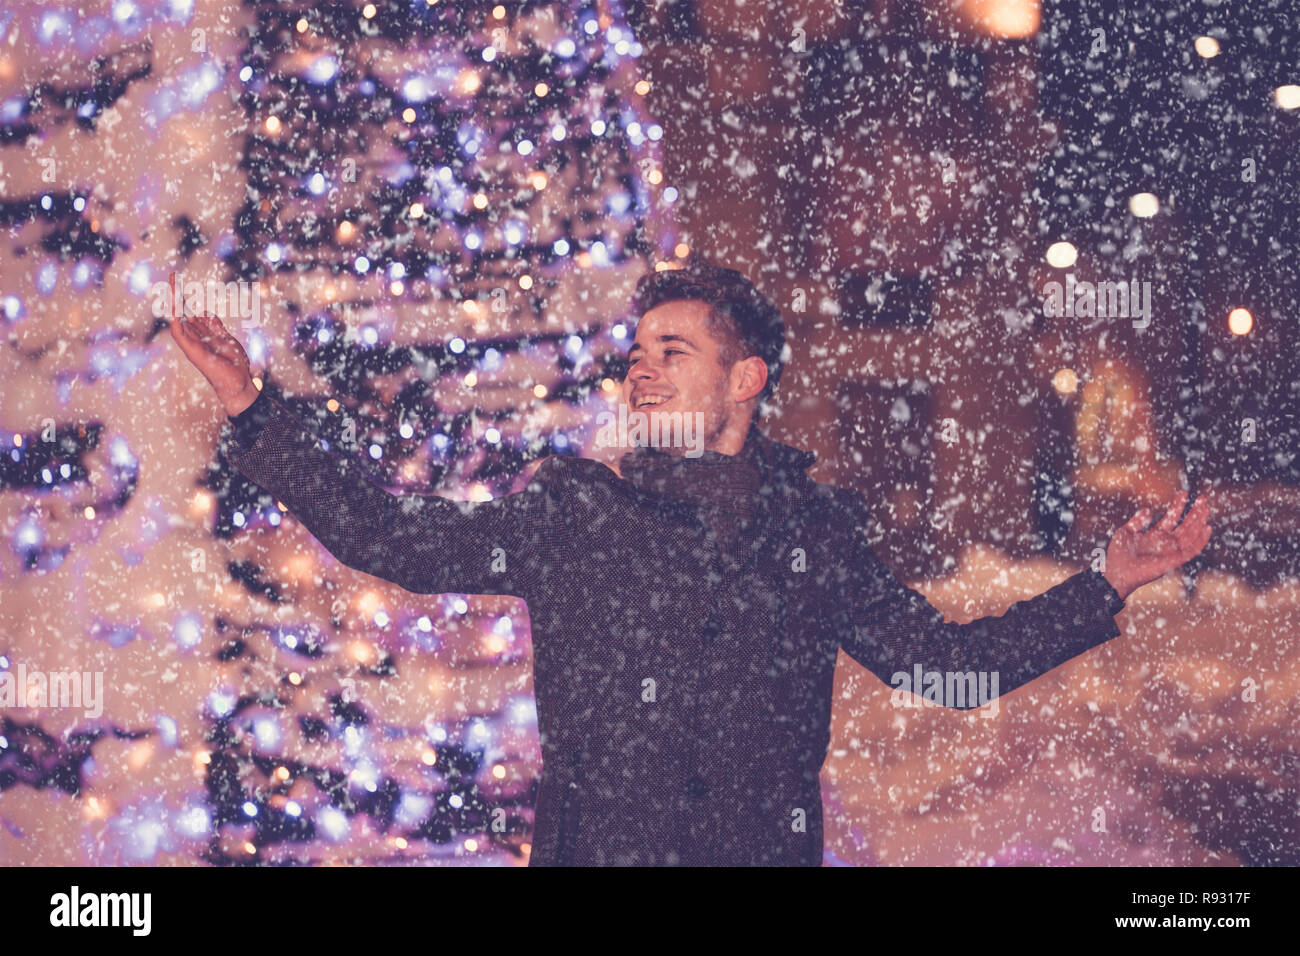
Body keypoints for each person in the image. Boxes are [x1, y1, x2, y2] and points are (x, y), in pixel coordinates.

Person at [169, 262, 1213, 866]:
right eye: (636, 352)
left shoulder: (813, 530)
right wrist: (252, 410)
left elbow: (945, 667)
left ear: (745, 378)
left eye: (673, 350)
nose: (641, 366)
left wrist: (1105, 583)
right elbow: (389, 536)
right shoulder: (573, 511)